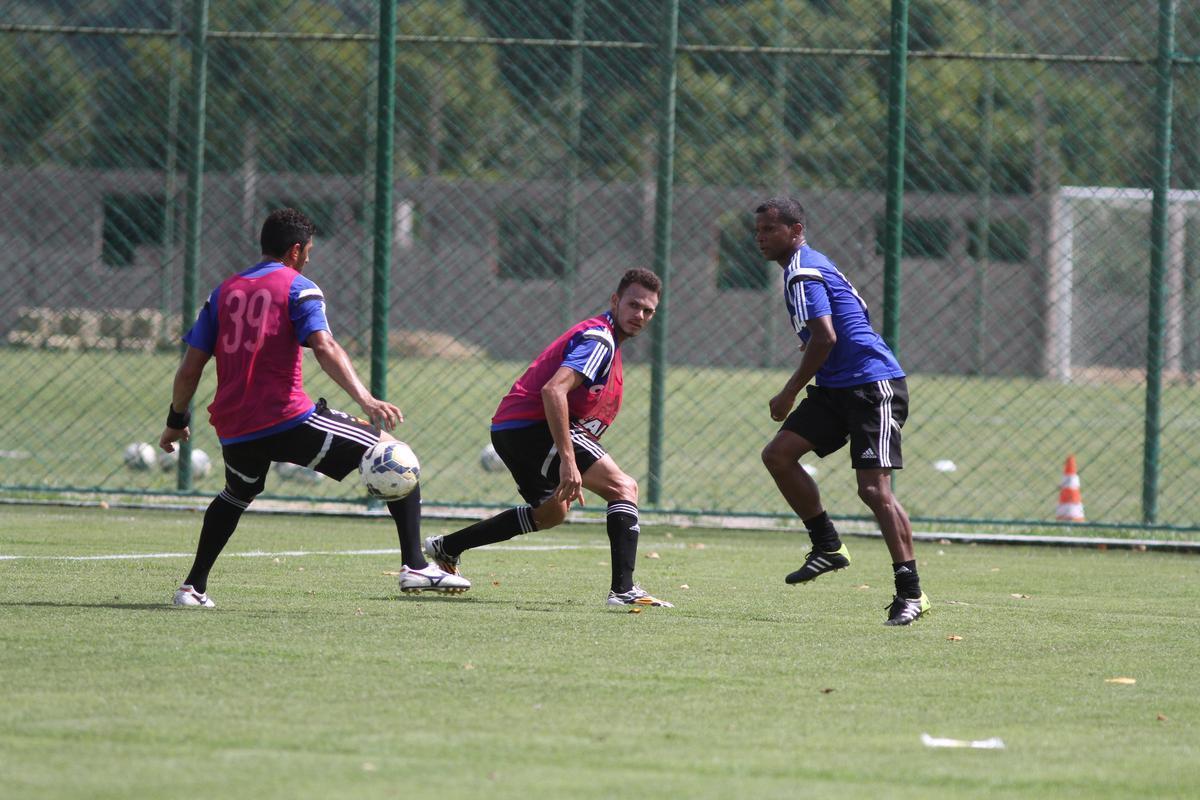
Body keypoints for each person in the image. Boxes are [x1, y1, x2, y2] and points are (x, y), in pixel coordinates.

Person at [158, 208, 468, 607]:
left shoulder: (223, 292)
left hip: (235, 424)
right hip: (287, 418)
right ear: (296, 249)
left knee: (238, 492)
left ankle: (192, 588)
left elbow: (190, 369)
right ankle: (414, 565)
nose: (309, 257)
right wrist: (366, 399)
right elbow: (325, 346)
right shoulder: (299, 287)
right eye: (309, 250)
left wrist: (175, 420)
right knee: (394, 454)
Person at [424, 269, 673, 608]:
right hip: (531, 427)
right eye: (633, 305)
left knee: (550, 513)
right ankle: (623, 589)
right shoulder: (600, 340)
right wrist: (569, 462)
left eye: (648, 311)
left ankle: (447, 546)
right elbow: (553, 390)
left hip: (510, 430)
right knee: (623, 487)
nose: (640, 315)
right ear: (615, 301)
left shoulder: (607, 340)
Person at [754, 196, 928, 625]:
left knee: (873, 491)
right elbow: (856, 309)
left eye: (770, 230)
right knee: (778, 455)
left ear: (796, 232)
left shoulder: (802, 271)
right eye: (758, 231)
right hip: (836, 388)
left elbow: (826, 337)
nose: (761, 238)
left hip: (873, 387)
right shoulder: (810, 265)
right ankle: (827, 544)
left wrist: (789, 391)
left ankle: (911, 593)